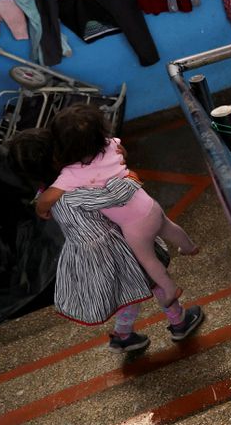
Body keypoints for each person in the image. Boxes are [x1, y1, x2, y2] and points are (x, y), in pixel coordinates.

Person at [33, 104, 205, 345]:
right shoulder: (110, 144)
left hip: (122, 241)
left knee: (139, 280)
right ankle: (187, 259)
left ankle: (140, 319)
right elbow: (122, 154)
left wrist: (41, 208)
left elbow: (49, 199)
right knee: (165, 240)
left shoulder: (70, 180)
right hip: (145, 210)